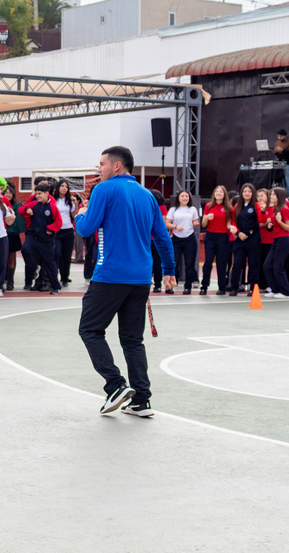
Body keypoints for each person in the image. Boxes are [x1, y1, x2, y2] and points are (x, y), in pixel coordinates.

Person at [75, 145, 175, 417]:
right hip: (141, 279)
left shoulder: (104, 190)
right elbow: (162, 237)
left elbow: (86, 228)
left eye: (102, 164)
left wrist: (81, 213)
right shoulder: (147, 195)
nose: (99, 169)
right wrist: (169, 269)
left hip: (110, 275)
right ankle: (141, 399)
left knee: (90, 330)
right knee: (132, 340)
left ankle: (115, 385)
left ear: (116, 166)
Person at [20, 183, 63, 294]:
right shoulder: (33, 204)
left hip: (46, 240)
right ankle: (34, 267)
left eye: (40, 194)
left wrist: (50, 228)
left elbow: (59, 222)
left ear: (47, 193)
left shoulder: (52, 207)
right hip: (33, 236)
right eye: (36, 194)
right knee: (25, 249)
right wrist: (26, 209)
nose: (37, 196)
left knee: (50, 263)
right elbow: (20, 210)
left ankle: (56, 286)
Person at [200, 185, 235, 295]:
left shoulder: (229, 208)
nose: (218, 193)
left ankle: (222, 287)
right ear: (214, 194)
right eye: (217, 191)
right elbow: (203, 224)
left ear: (224, 194)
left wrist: (231, 227)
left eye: (221, 192)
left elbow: (229, 223)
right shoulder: (208, 206)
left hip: (223, 237)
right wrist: (206, 217)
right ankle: (204, 286)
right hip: (210, 236)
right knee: (208, 262)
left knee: (221, 263)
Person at [228, 183, 262, 298]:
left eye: (249, 191)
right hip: (240, 238)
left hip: (254, 238)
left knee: (253, 264)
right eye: (244, 191)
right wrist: (238, 233)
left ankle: (253, 289)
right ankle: (234, 287)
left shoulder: (257, 206)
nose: (247, 193)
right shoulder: (237, 206)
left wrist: (263, 211)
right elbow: (233, 221)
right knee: (237, 263)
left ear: (253, 193)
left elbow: (261, 220)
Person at [166, 189, 199, 295]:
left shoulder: (193, 209)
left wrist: (195, 223)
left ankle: (188, 286)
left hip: (189, 239)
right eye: (182, 196)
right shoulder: (173, 210)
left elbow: (195, 221)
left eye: (186, 196)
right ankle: (170, 286)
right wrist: (176, 226)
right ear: (178, 198)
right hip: (176, 239)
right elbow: (167, 223)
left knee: (189, 264)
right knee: (174, 263)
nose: (184, 198)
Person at [262, 188, 289, 299]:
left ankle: (286, 292)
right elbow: (270, 225)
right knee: (267, 266)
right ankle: (275, 290)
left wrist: (279, 221)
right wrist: (269, 225)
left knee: (278, 267)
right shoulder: (274, 209)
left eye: (274, 195)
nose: (271, 197)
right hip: (276, 239)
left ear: (279, 196)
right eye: (271, 195)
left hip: (284, 239)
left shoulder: (284, 209)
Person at [52, 180, 78, 287]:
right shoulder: (53, 200)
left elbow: (74, 215)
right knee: (57, 254)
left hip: (68, 230)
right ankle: (54, 277)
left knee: (67, 256)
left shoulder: (69, 201)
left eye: (66, 187)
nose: (64, 188)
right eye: (62, 186)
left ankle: (65, 278)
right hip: (57, 231)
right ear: (58, 187)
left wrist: (76, 204)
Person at [3, 182, 24, 291]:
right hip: (2, 234)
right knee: (2, 258)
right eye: (6, 193)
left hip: (13, 235)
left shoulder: (17, 205)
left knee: (11, 257)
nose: (8, 195)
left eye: (10, 193)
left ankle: (10, 281)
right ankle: (1, 279)